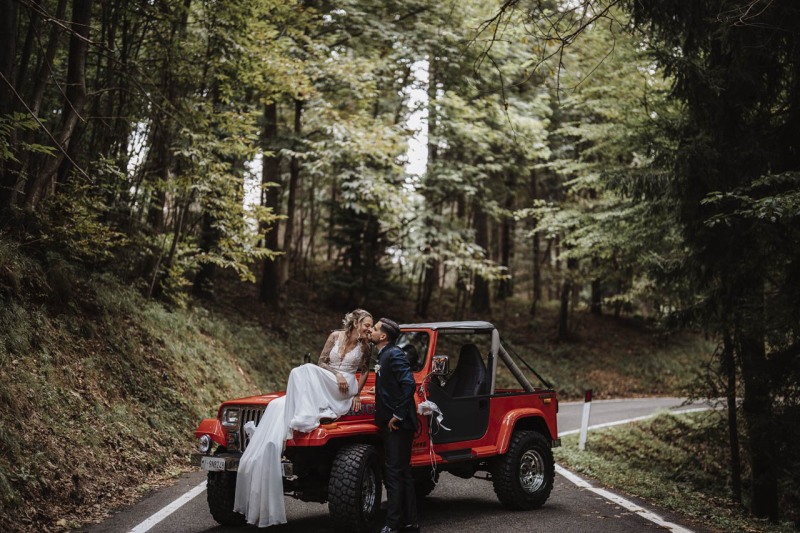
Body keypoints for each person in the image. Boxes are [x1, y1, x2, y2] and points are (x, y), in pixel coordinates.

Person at [233, 309, 374, 528]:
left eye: (371, 326)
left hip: (346, 386)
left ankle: (305, 415)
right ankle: (302, 412)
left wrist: (357, 393)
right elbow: (322, 362)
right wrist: (335, 374)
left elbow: (364, 370)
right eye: (366, 324)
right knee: (296, 378)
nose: (369, 329)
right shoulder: (335, 336)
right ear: (356, 323)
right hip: (331, 377)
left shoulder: (365, 347)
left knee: (302, 371)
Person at [372, 318, 420, 533]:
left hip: (398, 425)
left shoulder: (394, 354)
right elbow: (394, 383)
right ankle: (410, 523)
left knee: (394, 473)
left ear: (382, 336)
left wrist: (398, 415)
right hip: (394, 423)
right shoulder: (384, 354)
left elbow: (409, 383)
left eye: (374, 329)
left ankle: (392, 524)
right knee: (402, 473)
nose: (371, 331)